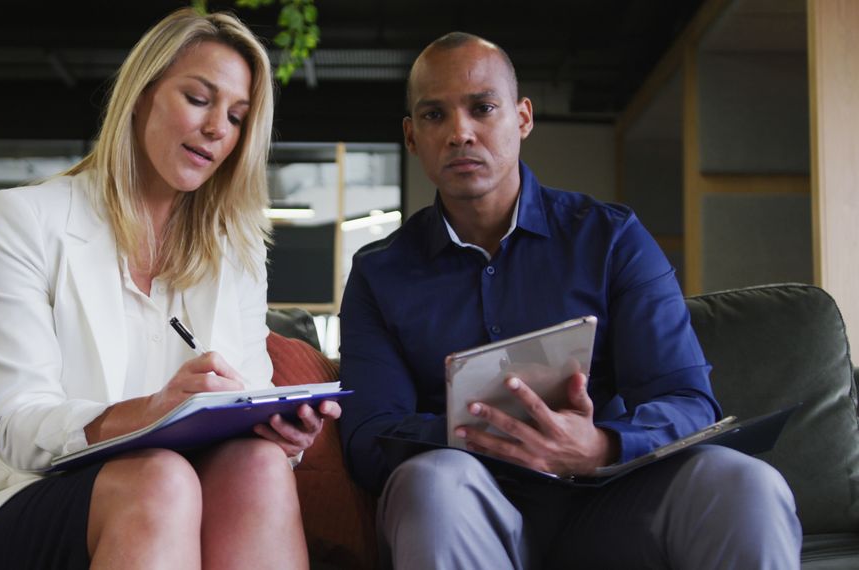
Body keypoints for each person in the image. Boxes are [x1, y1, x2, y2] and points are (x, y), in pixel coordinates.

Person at [0, 8, 340, 570]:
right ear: (141, 95)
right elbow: (19, 427)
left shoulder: (237, 255)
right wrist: (154, 411)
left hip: (177, 498)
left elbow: (246, 401)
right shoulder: (22, 218)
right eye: (198, 99)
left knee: (258, 465)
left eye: (238, 116)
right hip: (14, 494)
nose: (219, 128)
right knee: (160, 479)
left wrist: (280, 434)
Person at [338, 32, 801, 570]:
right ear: (412, 137)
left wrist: (600, 445)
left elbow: (689, 400)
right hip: (467, 502)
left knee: (746, 482)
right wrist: (491, 432)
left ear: (523, 118)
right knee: (431, 481)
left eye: (483, 108)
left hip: (609, 502)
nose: (460, 132)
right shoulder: (378, 273)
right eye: (435, 115)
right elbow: (369, 440)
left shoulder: (611, 238)